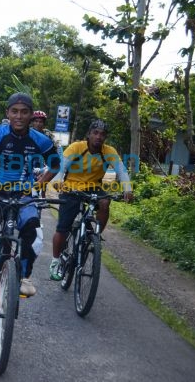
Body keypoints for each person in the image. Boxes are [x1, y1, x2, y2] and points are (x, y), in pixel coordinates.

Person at [0, 92, 61, 306]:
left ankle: (24, 276)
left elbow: (55, 164)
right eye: (14, 111)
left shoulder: (39, 140)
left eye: (24, 112)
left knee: (33, 231)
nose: (19, 116)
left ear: (31, 115)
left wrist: (40, 184)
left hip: (24, 194)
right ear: (7, 112)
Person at [38, 119, 133, 281]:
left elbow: (121, 170)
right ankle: (55, 260)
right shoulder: (77, 147)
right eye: (95, 133)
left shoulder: (108, 151)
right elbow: (62, 167)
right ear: (89, 134)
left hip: (93, 186)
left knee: (104, 202)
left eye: (102, 134)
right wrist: (59, 182)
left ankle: (94, 237)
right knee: (63, 228)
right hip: (71, 187)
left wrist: (127, 189)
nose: (99, 137)